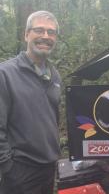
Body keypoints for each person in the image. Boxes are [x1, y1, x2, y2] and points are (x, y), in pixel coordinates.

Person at [0, 11, 61, 194]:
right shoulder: (6, 74)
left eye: (51, 32)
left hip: (49, 169)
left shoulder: (54, 75)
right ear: (26, 34)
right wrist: (8, 167)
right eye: (39, 30)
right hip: (20, 171)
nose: (45, 36)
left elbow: (52, 119)